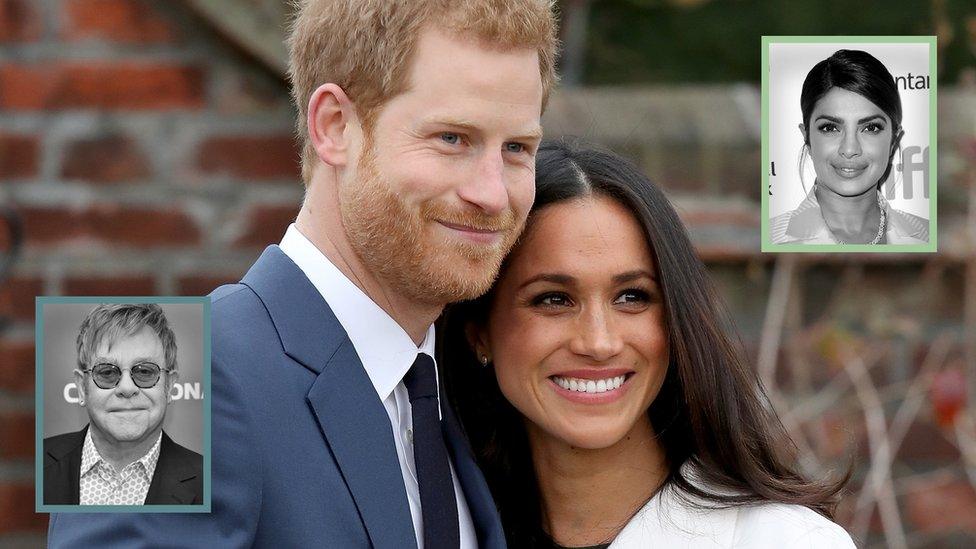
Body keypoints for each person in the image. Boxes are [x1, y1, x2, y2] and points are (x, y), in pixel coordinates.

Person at [48, 0, 557, 547]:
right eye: (452, 138)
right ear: (334, 126)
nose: (491, 192)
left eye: (516, 148)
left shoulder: (464, 382)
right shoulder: (153, 373)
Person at [442, 139, 856, 548]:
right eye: (553, 299)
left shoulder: (783, 540)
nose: (599, 342)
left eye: (632, 297)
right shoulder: (434, 525)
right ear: (479, 331)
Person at [44, 303, 203, 506]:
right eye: (107, 372)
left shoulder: (208, 481)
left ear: (170, 386)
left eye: (145, 372)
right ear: (82, 387)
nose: (127, 388)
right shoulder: (37, 464)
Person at [770, 49, 928, 245]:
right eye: (830, 128)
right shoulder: (770, 239)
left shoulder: (928, 237)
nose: (850, 148)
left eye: (871, 128)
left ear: (893, 141)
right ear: (807, 138)